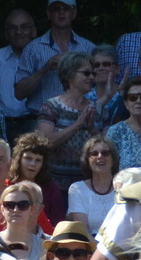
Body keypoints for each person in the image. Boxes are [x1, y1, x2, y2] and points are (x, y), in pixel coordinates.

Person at [17, 0, 94, 112]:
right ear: (48, 13)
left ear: (74, 13)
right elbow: (19, 93)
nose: (61, 12)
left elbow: (98, 86)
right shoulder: (33, 48)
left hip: (79, 119)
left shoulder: (88, 48)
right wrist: (44, 70)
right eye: (56, 8)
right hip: (40, 120)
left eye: (66, 8)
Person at [36, 53, 97, 186]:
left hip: (88, 186)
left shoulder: (98, 109)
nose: (92, 77)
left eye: (93, 73)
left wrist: (92, 129)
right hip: (54, 185)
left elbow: (107, 148)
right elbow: (44, 143)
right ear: (70, 75)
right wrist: (77, 125)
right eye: (86, 73)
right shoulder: (52, 106)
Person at [0, 11, 37, 135]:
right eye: (13, 28)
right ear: (6, 34)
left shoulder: (42, 59)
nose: (19, 32)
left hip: (33, 123)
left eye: (24, 27)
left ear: (33, 31)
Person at [10, 133, 63, 229]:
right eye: (28, 158)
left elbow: (58, 225)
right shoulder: (7, 185)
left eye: (38, 160)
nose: (32, 164)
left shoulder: (51, 189)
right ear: (19, 159)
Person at [68, 136, 118, 232]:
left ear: (113, 159)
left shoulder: (125, 187)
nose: (100, 156)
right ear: (87, 160)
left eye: (105, 153)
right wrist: (99, 247)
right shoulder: (77, 189)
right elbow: (83, 232)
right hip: (90, 245)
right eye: (94, 153)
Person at [106, 75, 141, 169]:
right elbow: (109, 168)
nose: (138, 101)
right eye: (133, 97)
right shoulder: (115, 131)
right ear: (126, 104)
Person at [0, 180, 46, 260]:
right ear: (2, 209)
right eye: (10, 205)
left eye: (23, 205)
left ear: (32, 209)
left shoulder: (44, 247)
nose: (16, 210)